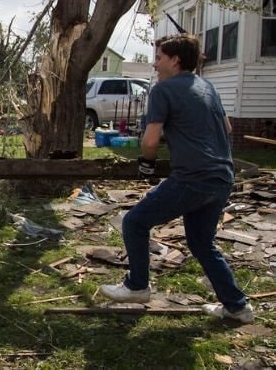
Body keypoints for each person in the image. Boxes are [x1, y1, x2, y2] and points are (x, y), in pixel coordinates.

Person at [99, 34, 253, 323]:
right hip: (222, 177)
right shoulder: (207, 87)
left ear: (175, 60)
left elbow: (150, 141)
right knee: (201, 243)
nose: (155, 64)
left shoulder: (163, 90)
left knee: (134, 222)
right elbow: (228, 128)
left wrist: (146, 164)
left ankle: (137, 286)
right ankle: (237, 307)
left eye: (159, 58)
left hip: (193, 177)